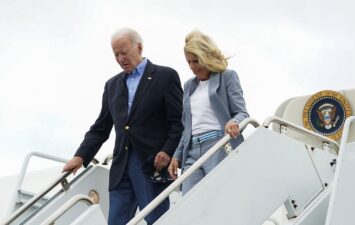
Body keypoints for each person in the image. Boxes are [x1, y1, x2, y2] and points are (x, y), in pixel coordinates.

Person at [62, 28, 183, 225]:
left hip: (151, 164)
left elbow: (178, 123)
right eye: (115, 54)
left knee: (157, 220)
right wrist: (81, 156)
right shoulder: (112, 85)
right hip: (120, 167)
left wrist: (168, 151)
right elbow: (101, 127)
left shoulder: (165, 76)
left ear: (139, 47)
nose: (120, 58)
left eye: (124, 52)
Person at [168, 30, 249, 195]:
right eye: (189, 62)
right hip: (191, 151)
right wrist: (176, 155)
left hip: (218, 145)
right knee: (190, 201)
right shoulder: (188, 86)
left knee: (220, 197)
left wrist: (233, 122)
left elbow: (242, 113)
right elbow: (187, 128)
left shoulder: (227, 76)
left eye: (196, 61)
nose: (192, 67)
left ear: (206, 57)